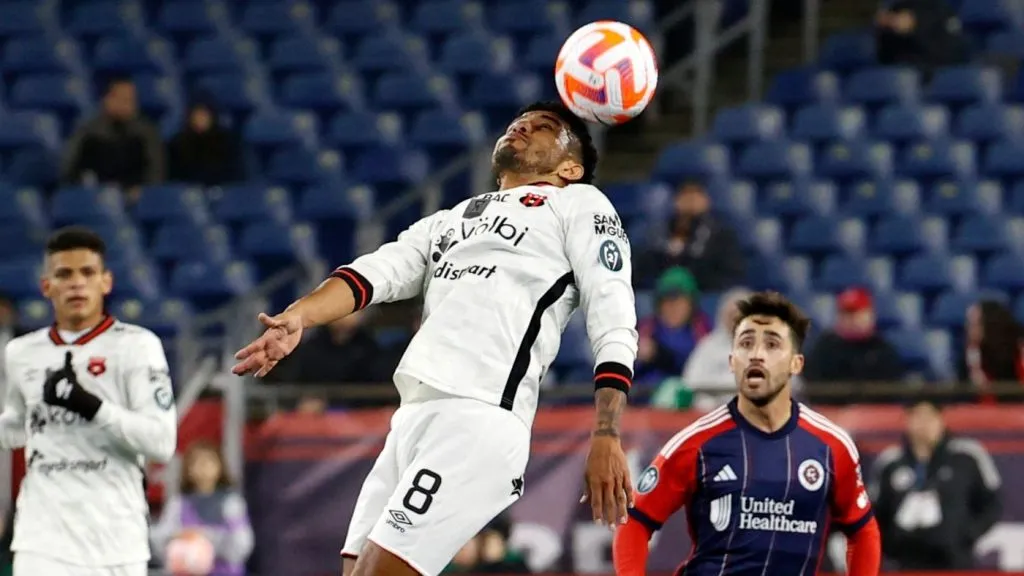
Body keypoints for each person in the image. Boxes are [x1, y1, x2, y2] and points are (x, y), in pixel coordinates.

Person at [231, 101, 637, 576]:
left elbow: (614, 317)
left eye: (545, 127)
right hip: (412, 418)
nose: (523, 126)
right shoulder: (452, 218)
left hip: (480, 417)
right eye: (517, 122)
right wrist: (299, 315)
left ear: (572, 167)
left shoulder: (579, 204)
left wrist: (607, 431)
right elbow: (375, 273)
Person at [613, 291, 881, 576]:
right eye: (746, 343)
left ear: (796, 364)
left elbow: (863, 531)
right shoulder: (695, 443)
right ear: (732, 361)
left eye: (772, 344)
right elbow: (634, 522)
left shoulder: (832, 446)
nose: (756, 354)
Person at [0, 227, 177, 576]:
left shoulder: (138, 346)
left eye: (87, 273)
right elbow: (16, 428)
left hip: (116, 542)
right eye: (64, 274)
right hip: (42, 541)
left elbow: (161, 443)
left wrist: (92, 407)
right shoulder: (20, 353)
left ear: (106, 282)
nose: (76, 283)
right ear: (46, 286)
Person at [869, 400, 1001, 570]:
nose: (924, 425)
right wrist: (892, 544)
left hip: (955, 562)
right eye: (918, 417)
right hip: (904, 564)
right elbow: (874, 512)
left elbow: (992, 502)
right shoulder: (890, 462)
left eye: (930, 417)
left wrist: (965, 535)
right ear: (906, 421)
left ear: (941, 420)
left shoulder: (967, 456)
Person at [151, 441, 254, 575]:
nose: (203, 468)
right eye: (196, 463)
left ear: (220, 467)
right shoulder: (179, 503)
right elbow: (159, 538)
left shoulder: (231, 503)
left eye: (209, 462)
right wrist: (178, 536)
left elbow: (242, 544)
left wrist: (205, 537)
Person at [61, 77, 165, 202]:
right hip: (95, 198)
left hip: (137, 199)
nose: (126, 104)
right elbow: (70, 168)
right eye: (120, 98)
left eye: (130, 100)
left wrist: (142, 190)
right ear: (106, 100)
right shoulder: (88, 132)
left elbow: (155, 170)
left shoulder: (146, 133)